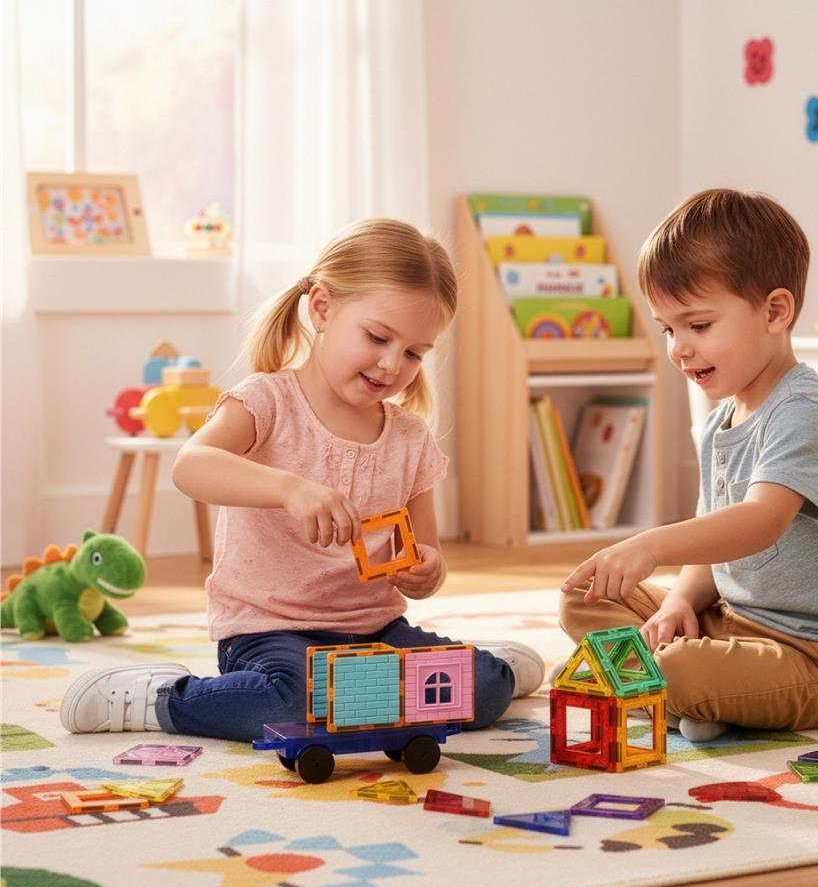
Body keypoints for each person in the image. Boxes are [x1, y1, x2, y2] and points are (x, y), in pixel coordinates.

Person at [61, 219, 543, 740]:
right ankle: (162, 700)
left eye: (413, 353)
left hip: (373, 632)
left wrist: (429, 571)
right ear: (322, 308)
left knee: (484, 691)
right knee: (292, 704)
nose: (391, 364)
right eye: (378, 337)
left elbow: (424, 550)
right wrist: (289, 489)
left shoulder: (409, 438)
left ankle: (489, 671)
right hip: (270, 633)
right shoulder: (266, 401)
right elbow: (191, 465)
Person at [558, 189, 818, 742]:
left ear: (775, 312)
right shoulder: (722, 421)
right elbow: (712, 540)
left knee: (678, 668)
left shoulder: (807, 412)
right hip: (730, 625)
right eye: (668, 329)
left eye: (698, 325)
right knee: (584, 596)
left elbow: (760, 521)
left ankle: (659, 686)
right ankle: (693, 697)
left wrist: (650, 546)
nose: (679, 348)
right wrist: (678, 600)